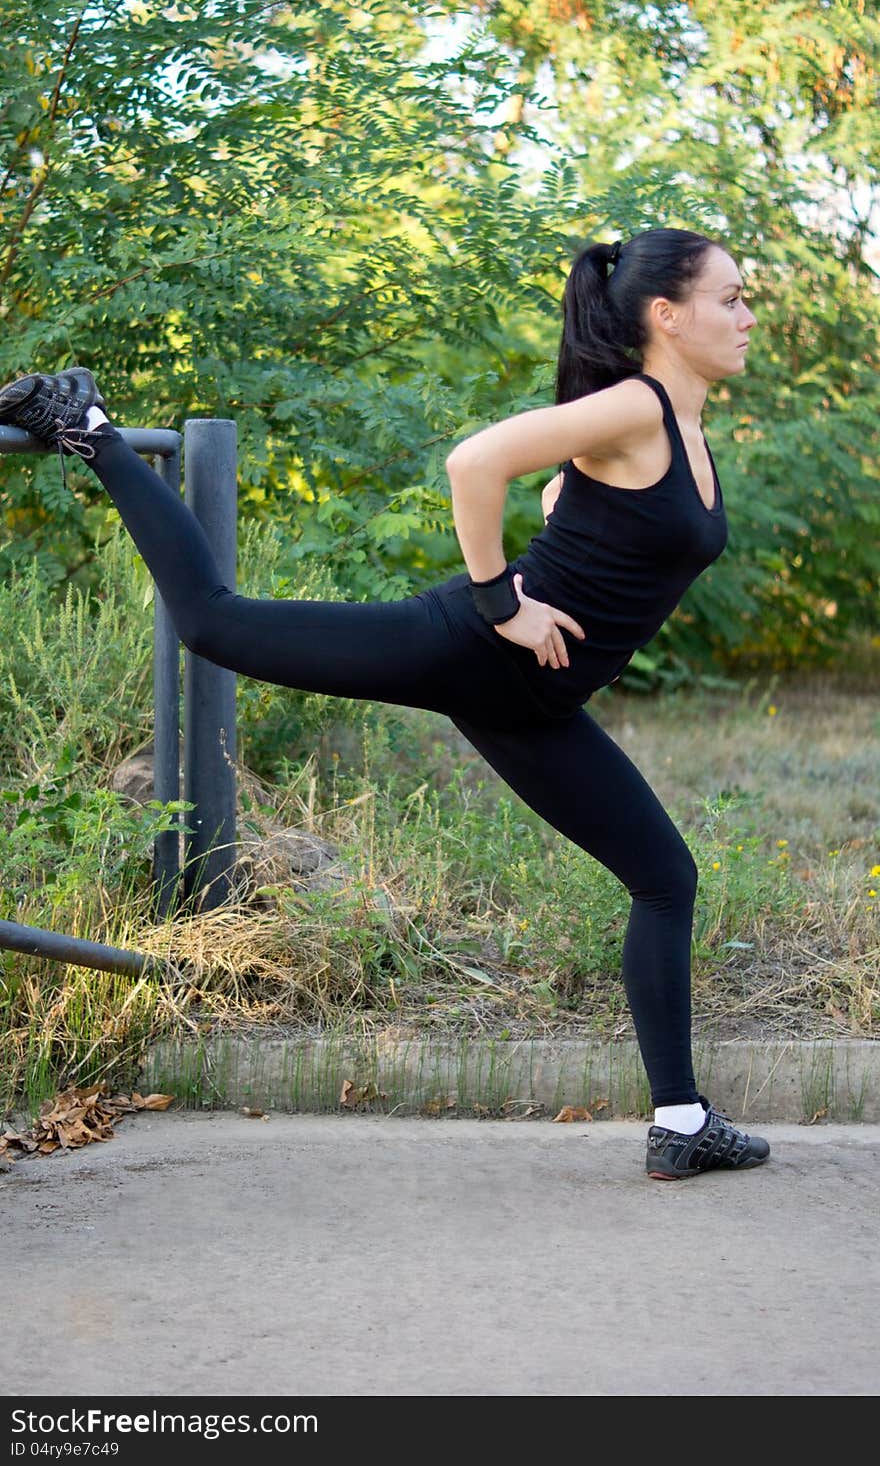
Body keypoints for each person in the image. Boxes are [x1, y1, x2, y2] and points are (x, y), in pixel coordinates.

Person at [0, 226, 769, 1180]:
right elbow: (473, 463)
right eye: (732, 298)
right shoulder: (635, 407)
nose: (747, 315)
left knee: (665, 878)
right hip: (473, 653)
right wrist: (503, 604)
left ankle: (684, 1123)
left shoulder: (679, 425)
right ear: (667, 314)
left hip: (533, 705)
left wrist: (561, 524)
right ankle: (92, 431)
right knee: (213, 623)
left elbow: (583, 512)